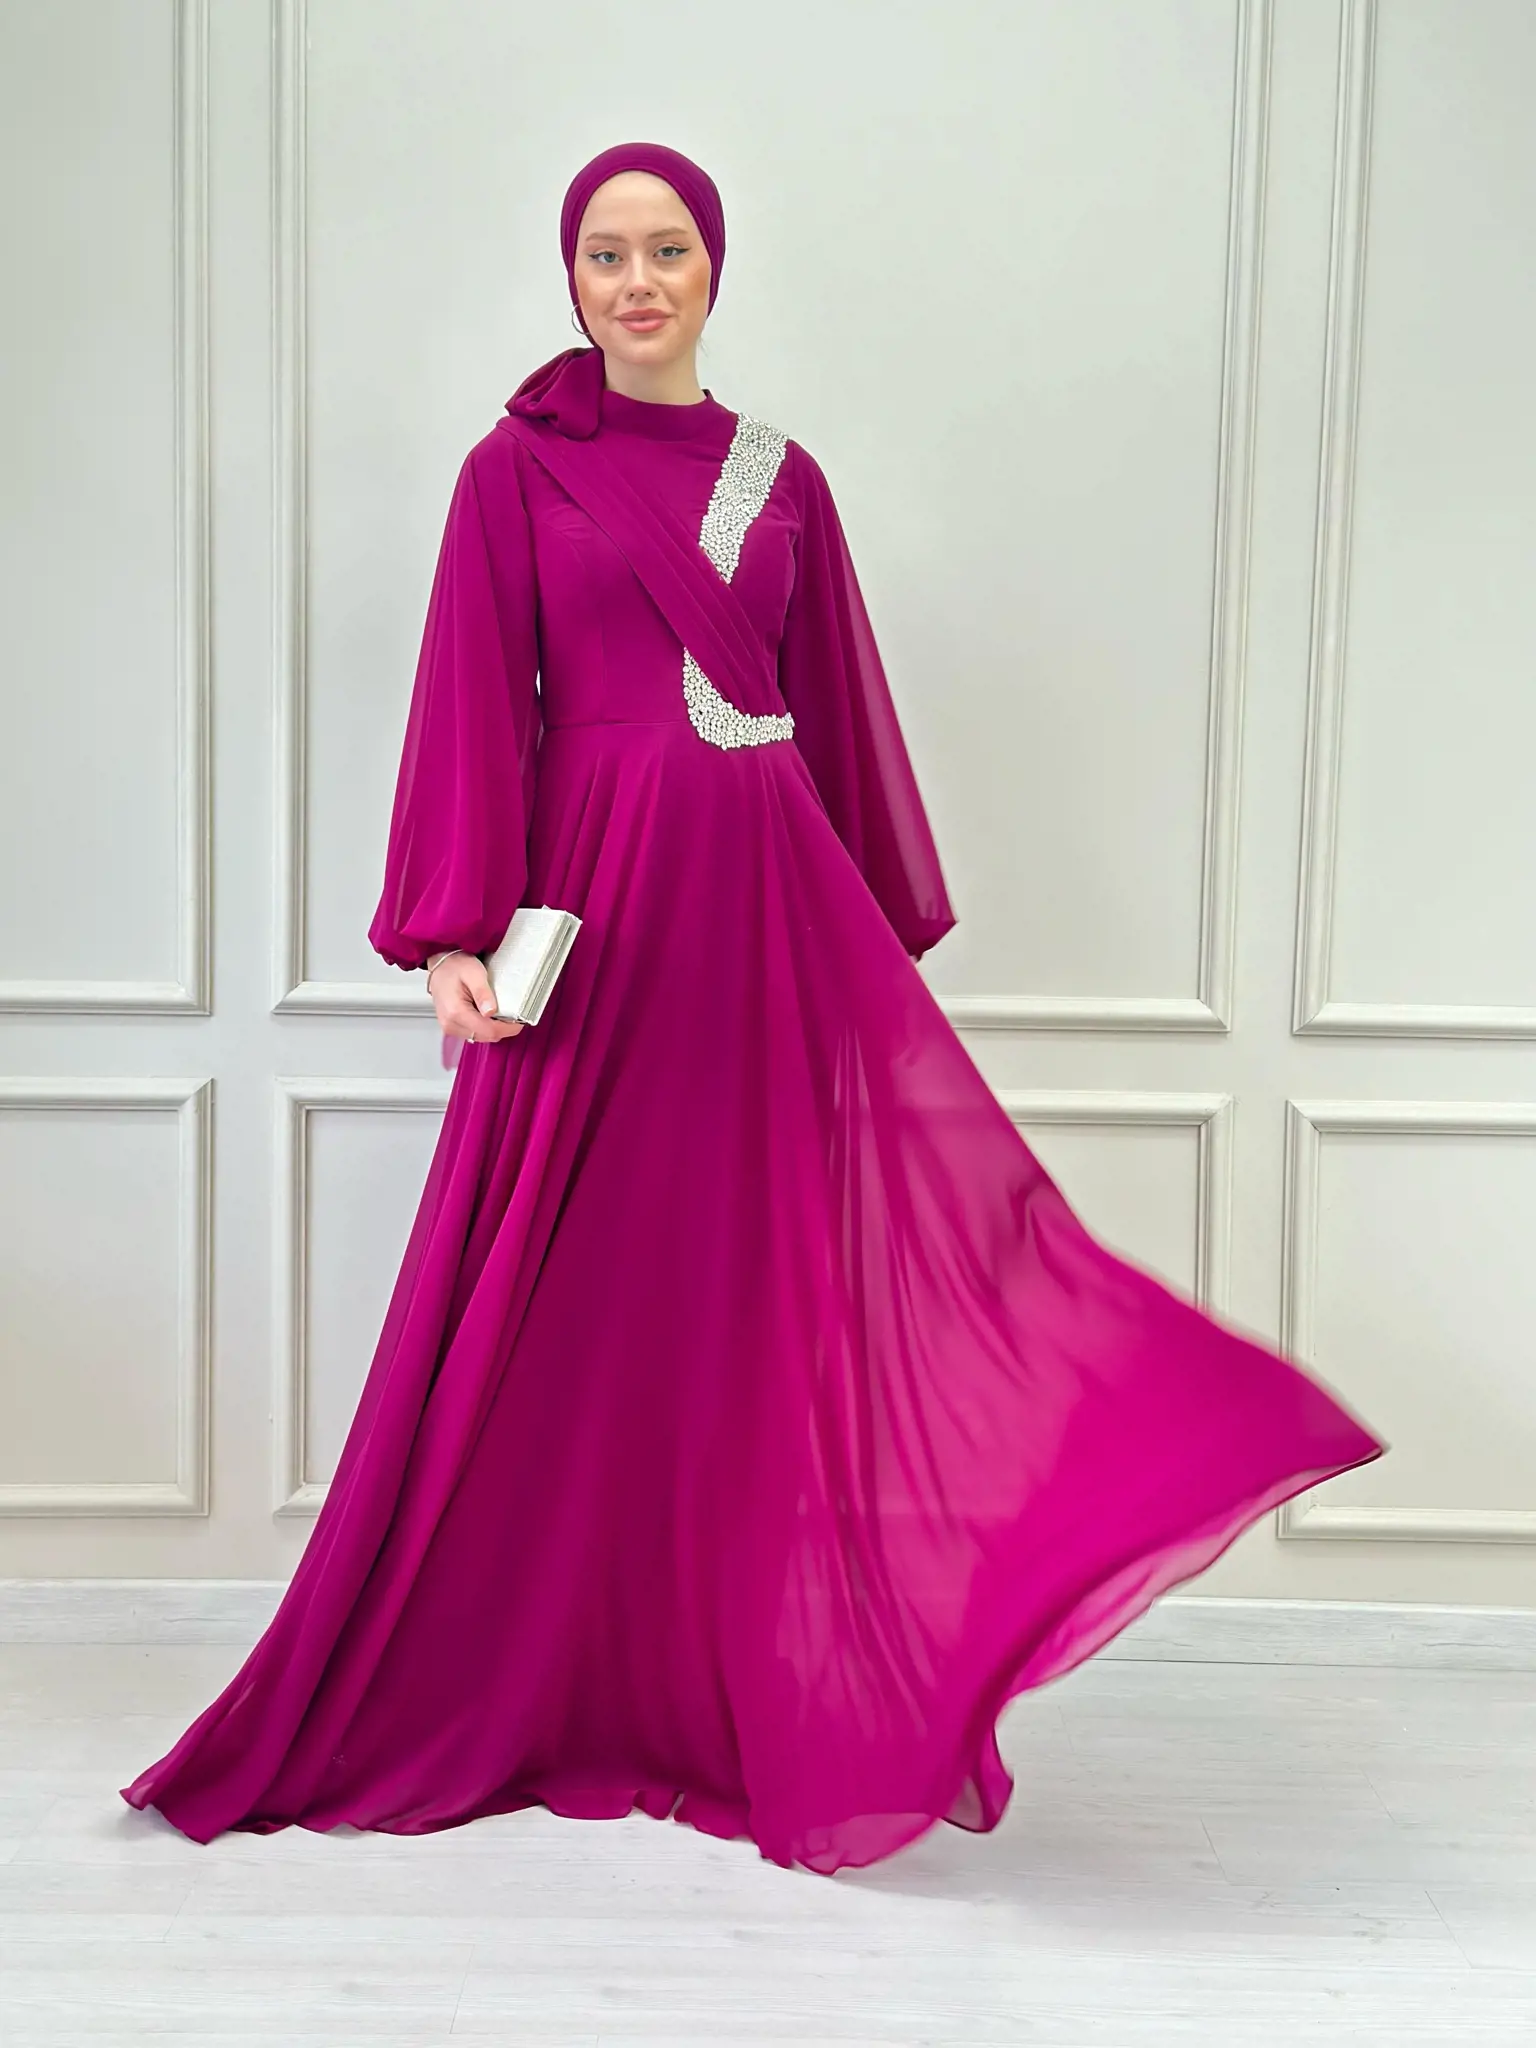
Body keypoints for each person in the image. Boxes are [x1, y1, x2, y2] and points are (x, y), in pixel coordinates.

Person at [121, 142, 1383, 1876]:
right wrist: (448, 932)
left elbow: (838, 717)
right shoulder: (516, 470)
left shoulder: (788, 479)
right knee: (557, 1288)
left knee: (751, 1294)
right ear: (569, 275)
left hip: (766, 923)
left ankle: (731, 1680)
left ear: (716, 268)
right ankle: (538, 1668)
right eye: (605, 253)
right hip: (597, 914)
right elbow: (475, 696)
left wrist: (856, 958)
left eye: (669, 251)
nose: (636, 282)